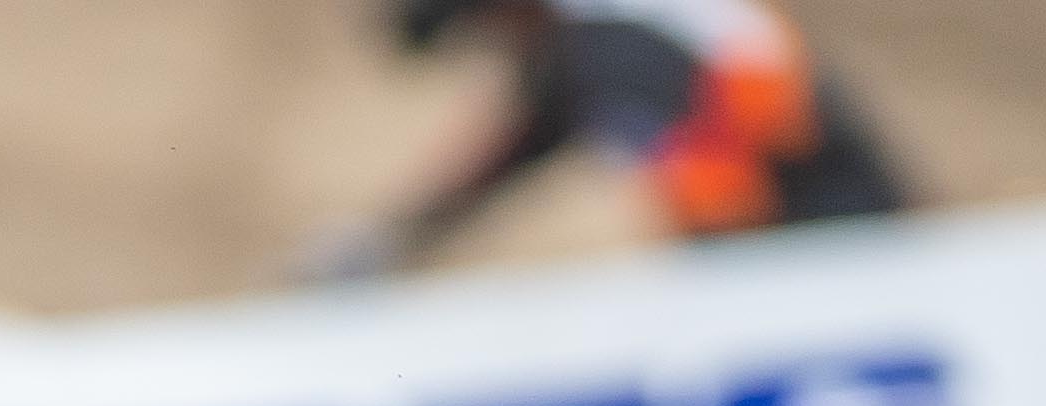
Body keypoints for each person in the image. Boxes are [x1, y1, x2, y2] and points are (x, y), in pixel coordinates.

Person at [303, 0, 911, 279]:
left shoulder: (614, 51)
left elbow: (721, 202)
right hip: (823, 241)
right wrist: (393, 238)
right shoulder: (591, 42)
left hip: (835, 249)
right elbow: (507, 157)